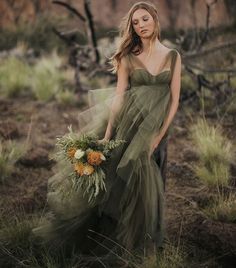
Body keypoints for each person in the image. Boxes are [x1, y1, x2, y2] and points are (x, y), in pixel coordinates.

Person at [32, 1, 181, 265]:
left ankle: (150, 237)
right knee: (133, 173)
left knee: (155, 173)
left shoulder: (172, 56)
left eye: (145, 19)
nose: (141, 25)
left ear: (155, 19)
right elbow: (119, 96)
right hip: (129, 124)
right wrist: (108, 133)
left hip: (158, 126)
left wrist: (159, 136)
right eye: (135, 22)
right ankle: (129, 240)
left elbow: (174, 99)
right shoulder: (128, 56)